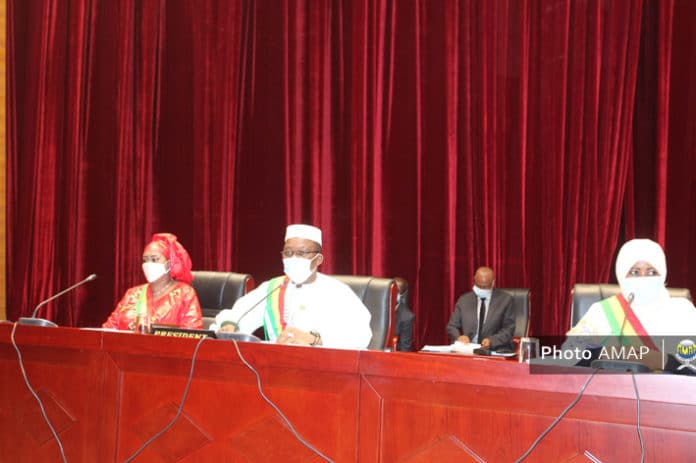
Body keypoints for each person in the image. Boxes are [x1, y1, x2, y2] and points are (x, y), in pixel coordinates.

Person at [212, 224, 373, 349]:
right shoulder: (273, 288)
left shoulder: (337, 292)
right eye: (288, 253)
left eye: (301, 253)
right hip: (275, 369)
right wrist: (230, 325)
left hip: (324, 373)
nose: (293, 258)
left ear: (318, 260)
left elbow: (361, 335)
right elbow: (236, 315)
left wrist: (313, 339)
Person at [566, 239, 696, 347]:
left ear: (663, 274)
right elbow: (569, 355)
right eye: (634, 272)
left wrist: (662, 360)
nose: (643, 278)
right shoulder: (602, 312)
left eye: (652, 272)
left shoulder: (683, 311)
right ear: (622, 275)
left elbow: (691, 360)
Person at [103, 233, 203, 331]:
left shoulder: (184, 294)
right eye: (145, 260)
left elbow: (192, 336)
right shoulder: (132, 294)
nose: (148, 264)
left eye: (154, 259)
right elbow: (108, 329)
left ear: (168, 264)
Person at [446, 266, 515, 349]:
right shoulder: (464, 300)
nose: (481, 289)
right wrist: (459, 337)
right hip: (468, 349)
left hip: (494, 349)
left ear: (493, 283)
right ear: (474, 281)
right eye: (479, 286)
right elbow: (452, 326)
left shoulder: (506, 300)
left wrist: (492, 341)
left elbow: (509, 329)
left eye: (485, 287)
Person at [393, 277, 415, 351]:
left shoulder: (407, 317)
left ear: (402, 295)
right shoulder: (375, 307)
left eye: (397, 291)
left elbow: (404, 350)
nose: (393, 293)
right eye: (392, 290)